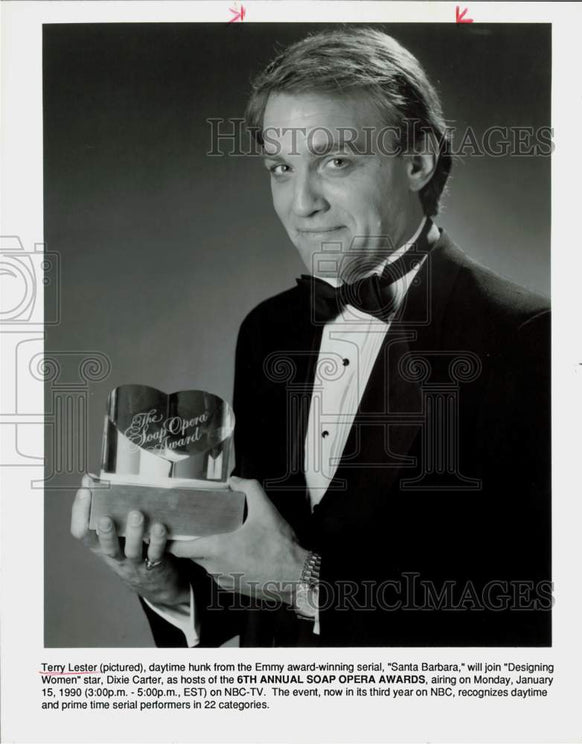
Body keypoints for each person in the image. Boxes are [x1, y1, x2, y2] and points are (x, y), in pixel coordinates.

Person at [71, 27, 551, 647]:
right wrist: (171, 588)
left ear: (417, 160)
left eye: (336, 162)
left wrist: (306, 581)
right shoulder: (268, 332)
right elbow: (259, 569)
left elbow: (540, 621)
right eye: (280, 167)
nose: (301, 204)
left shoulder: (532, 341)